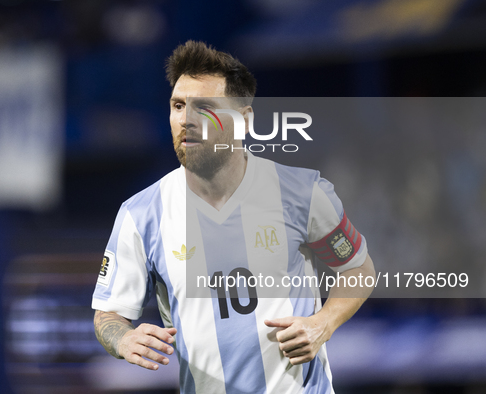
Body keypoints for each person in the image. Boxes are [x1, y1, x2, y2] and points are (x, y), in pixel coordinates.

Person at [92, 40, 375, 393]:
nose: (186, 120)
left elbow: (358, 269)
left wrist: (324, 323)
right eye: (178, 105)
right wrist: (123, 340)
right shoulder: (141, 214)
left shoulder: (303, 192)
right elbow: (108, 314)